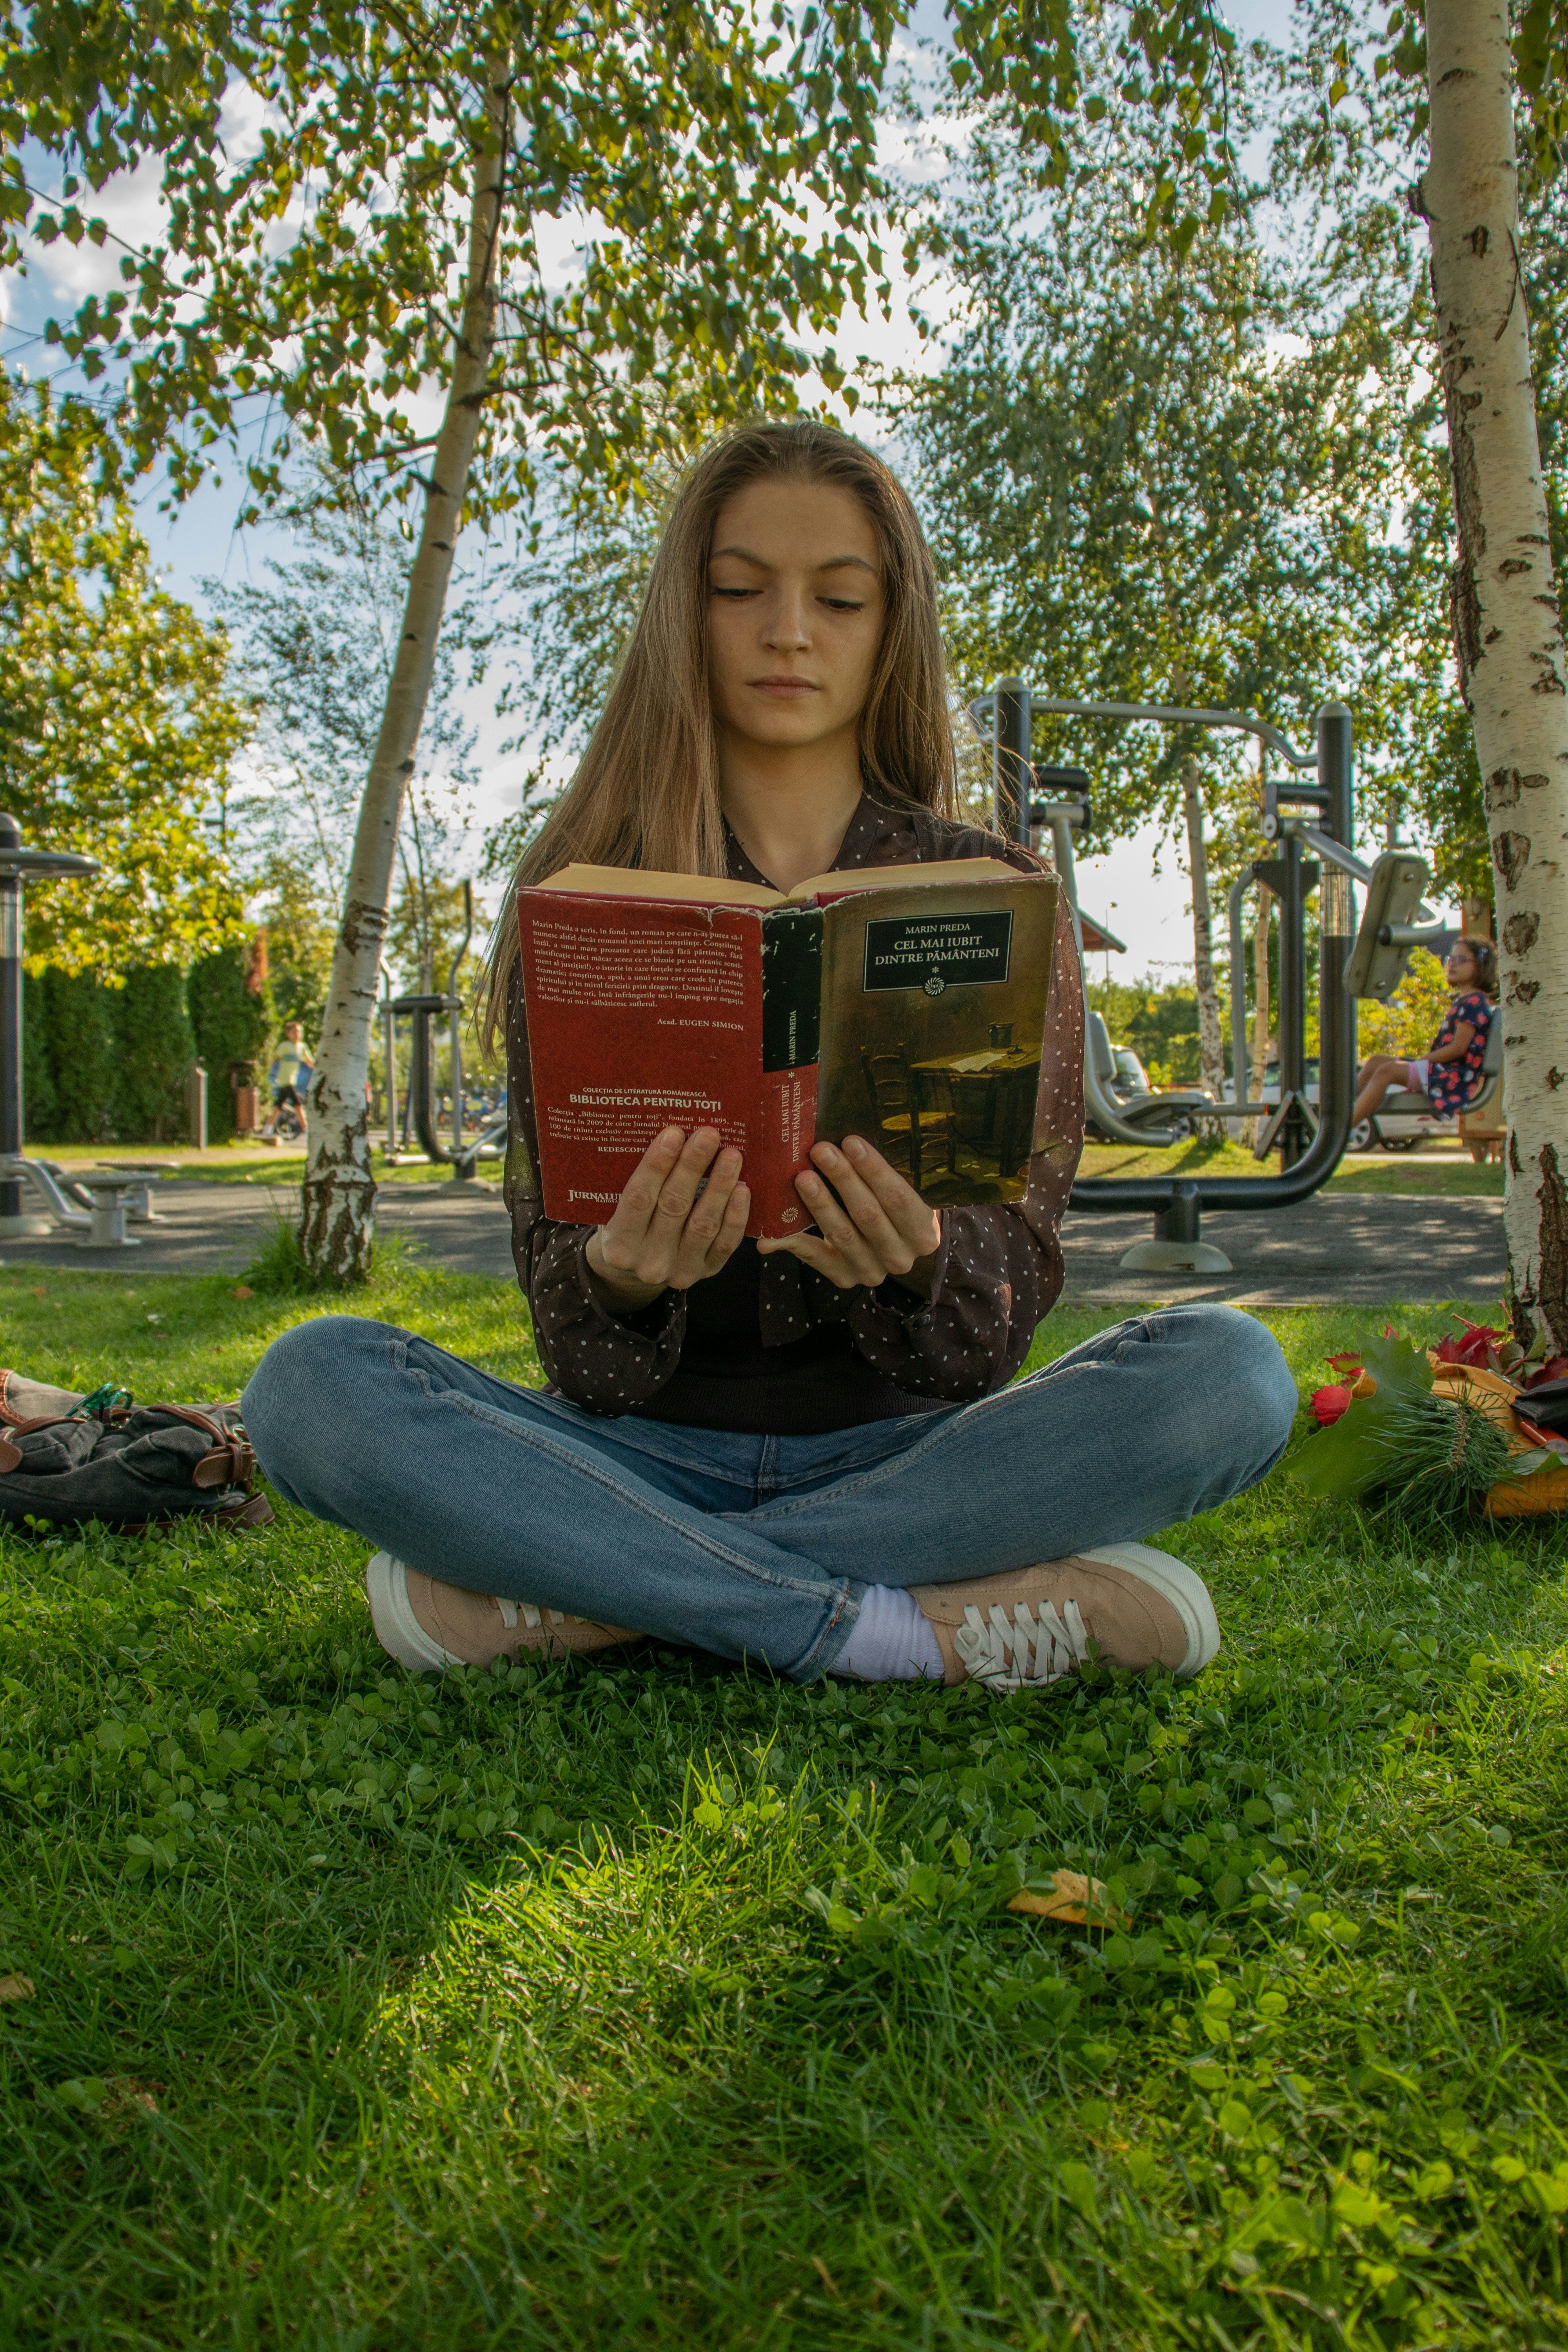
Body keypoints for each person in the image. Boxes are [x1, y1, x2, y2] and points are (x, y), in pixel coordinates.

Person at [241, 422, 1297, 1696]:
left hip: (919, 1454)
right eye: (741, 590)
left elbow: (996, 1329)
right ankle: (891, 1628)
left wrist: (913, 1270)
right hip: (640, 1456)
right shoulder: (579, 895)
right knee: (313, 1386)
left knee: (1230, 1375)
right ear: (686, 618)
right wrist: (624, 1281)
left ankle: (598, 1592)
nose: (788, 629)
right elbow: (577, 1355)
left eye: (837, 596)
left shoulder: (995, 890)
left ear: (889, 622)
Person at [1352, 938, 1497, 1132]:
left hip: (1453, 1077)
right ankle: (1341, 1113)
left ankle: (1342, 1130)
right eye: (1451, 959)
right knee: (1376, 1062)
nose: (1453, 963)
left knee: (1388, 1071)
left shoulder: (1475, 1002)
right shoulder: (1464, 1000)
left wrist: (1425, 1060)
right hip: (1442, 1069)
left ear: (1481, 966)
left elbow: (1458, 1048)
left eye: (1462, 960)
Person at [260, 1023, 312, 1143]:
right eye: (295, 1032)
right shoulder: (284, 1046)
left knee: (278, 1106)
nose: (297, 1035)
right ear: (288, 1034)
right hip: (285, 1080)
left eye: (299, 1032)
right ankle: (306, 1130)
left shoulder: (302, 1047)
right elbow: (274, 1059)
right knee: (298, 1105)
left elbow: (310, 1062)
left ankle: (267, 1130)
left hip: (292, 1081)